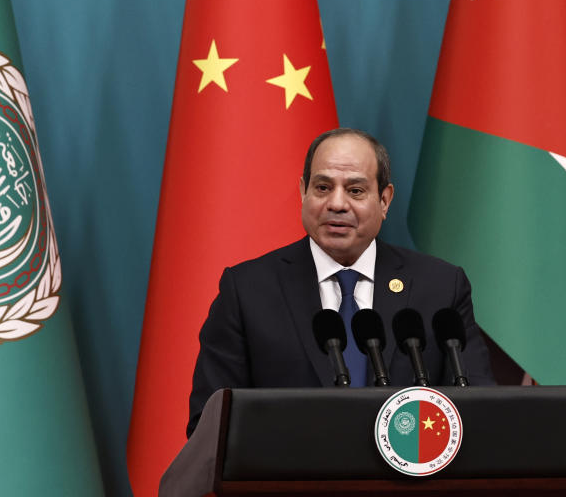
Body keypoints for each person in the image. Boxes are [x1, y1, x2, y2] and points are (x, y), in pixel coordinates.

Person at [187, 128, 495, 436]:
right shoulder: (248, 290)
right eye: (322, 187)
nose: (336, 204)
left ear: (385, 200)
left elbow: (478, 409)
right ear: (303, 192)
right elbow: (209, 426)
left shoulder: (440, 286)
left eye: (356, 191)